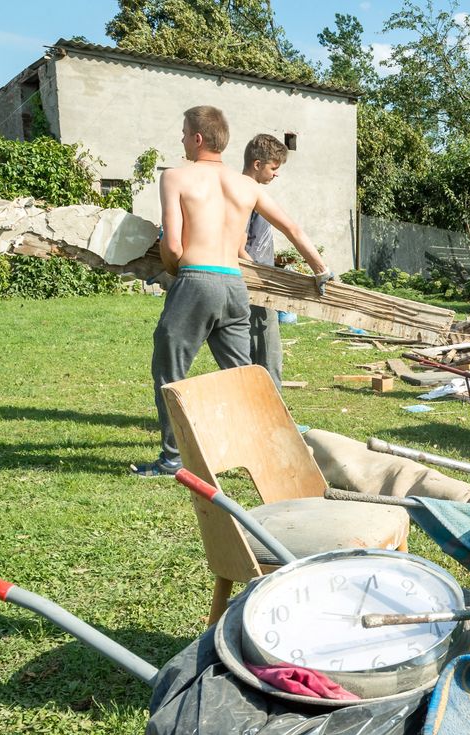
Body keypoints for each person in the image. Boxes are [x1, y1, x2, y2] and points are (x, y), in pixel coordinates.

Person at [132, 106, 334, 476]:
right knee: (242, 377)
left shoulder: (176, 177)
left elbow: (173, 247)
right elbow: (293, 228)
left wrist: (182, 274)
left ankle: (173, 460)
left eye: (183, 133)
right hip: (234, 287)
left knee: (169, 371)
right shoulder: (247, 187)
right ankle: (264, 453)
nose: (181, 139)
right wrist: (322, 271)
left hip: (196, 280)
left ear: (197, 138)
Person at [239, 133, 290, 390]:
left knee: (258, 352)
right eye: (274, 167)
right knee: (267, 353)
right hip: (253, 285)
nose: (276, 174)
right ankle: (272, 411)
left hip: (259, 282)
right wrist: (259, 278)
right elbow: (237, 247)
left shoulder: (251, 193)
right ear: (257, 164)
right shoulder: (244, 195)